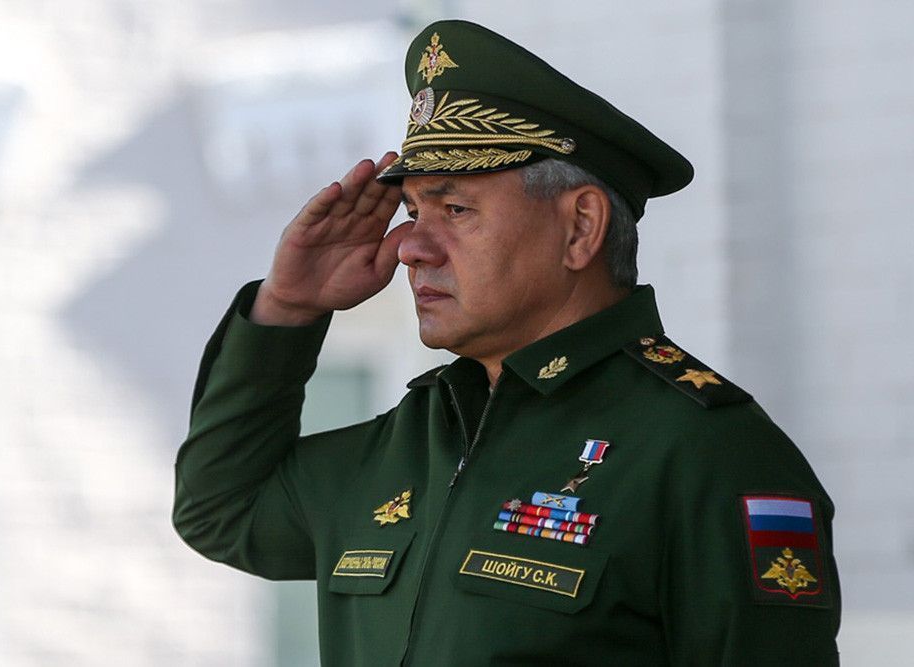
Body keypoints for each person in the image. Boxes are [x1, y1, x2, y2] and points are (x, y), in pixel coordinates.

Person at [172, 19, 840, 666]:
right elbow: (221, 510)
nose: (410, 247)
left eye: (456, 209)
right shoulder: (419, 436)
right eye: (413, 212)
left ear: (580, 227)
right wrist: (287, 308)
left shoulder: (707, 452)